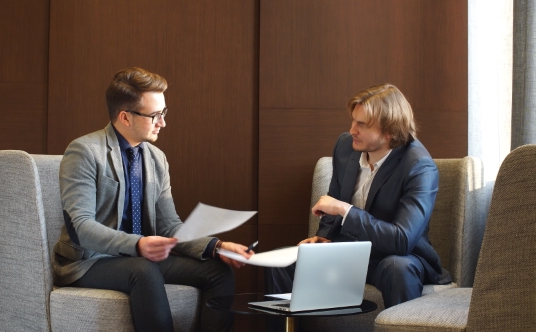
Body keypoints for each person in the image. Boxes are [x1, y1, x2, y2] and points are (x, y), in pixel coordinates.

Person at [52, 67, 253, 332]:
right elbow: (81, 227)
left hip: (139, 256)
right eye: (155, 115)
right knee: (143, 270)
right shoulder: (85, 151)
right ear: (125, 117)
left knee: (217, 271)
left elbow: (170, 225)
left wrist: (218, 247)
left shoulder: (156, 159)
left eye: (164, 113)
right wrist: (139, 244)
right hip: (90, 260)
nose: (163, 122)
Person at [265, 83, 451, 309]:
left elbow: (401, 240)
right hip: (348, 252)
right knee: (283, 260)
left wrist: (345, 211)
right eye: (353, 120)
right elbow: (334, 200)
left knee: (397, 268)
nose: (352, 130)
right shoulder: (346, 146)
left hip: (392, 258)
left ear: (389, 130)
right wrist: (324, 237)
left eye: (361, 124)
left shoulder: (419, 166)